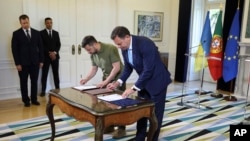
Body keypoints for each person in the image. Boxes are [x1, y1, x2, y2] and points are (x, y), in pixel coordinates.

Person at [107, 26, 172, 141]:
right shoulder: (124, 47)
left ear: (127, 37)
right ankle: (140, 137)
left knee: (156, 115)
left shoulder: (145, 44)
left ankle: (153, 138)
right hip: (144, 82)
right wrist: (118, 82)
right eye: (117, 44)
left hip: (157, 81)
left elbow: (148, 70)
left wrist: (133, 88)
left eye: (120, 43)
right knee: (141, 111)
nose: (119, 46)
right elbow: (127, 67)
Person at [80, 35, 126, 139]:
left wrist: (105, 82)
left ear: (94, 44)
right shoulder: (93, 54)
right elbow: (94, 69)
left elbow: (117, 68)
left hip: (118, 78)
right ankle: (110, 126)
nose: (88, 52)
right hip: (106, 78)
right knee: (106, 103)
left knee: (118, 104)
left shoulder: (110, 48)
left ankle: (121, 128)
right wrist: (86, 79)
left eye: (89, 49)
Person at [11, 14, 44, 107]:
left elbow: (41, 48)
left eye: (27, 22)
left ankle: (34, 99)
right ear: (20, 23)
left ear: (29, 21)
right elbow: (14, 50)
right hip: (22, 64)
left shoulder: (36, 33)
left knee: (34, 82)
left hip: (35, 63)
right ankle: (26, 100)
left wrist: (41, 61)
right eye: (23, 23)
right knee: (23, 82)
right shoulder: (16, 34)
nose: (25, 24)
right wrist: (17, 63)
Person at [40, 17, 61, 96]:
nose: (49, 24)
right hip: (45, 57)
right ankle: (43, 91)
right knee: (44, 74)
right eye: (47, 23)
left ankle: (58, 89)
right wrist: (50, 53)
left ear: (52, 23)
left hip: (55, 57)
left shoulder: (56, 33)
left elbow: (58, 44)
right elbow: (41, 45)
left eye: (50, 22)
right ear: (45, 24)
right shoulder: (41, 33)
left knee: (56, 74)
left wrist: (54, 53)